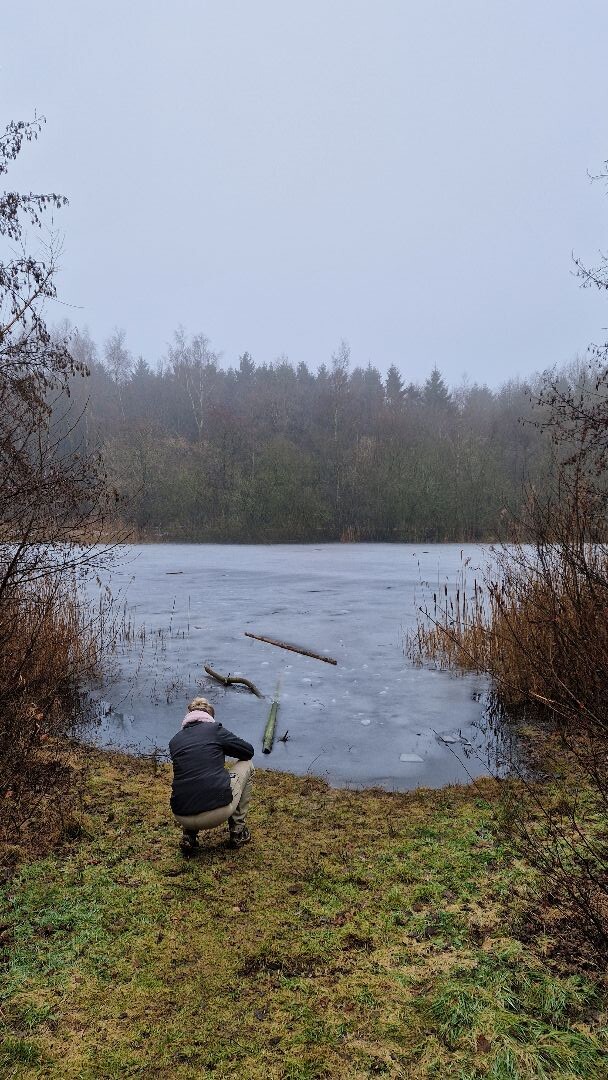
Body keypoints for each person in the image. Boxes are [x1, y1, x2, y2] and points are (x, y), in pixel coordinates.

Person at [169, 696, 254, 854]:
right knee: (247, 764)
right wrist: (223, 747)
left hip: (181, 815)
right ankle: (238, 832)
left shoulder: (175, 741)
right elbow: (248, 751)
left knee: (189, 777)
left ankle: (189, 835)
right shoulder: (215, 730)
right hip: (216, 813)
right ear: (210, 716)